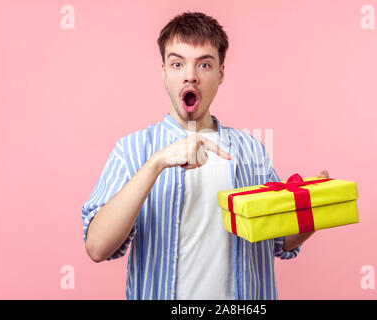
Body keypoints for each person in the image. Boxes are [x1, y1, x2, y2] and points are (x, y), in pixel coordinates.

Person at [81, 11, 329, 300]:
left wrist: (315, 207)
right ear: (164, 71)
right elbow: (97, 247)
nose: (190, 75)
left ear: (221, 73)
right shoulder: (133, 150)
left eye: (204, 65)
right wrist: (156, 163)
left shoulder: (251, 150)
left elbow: (278, 240)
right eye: (177, 64)